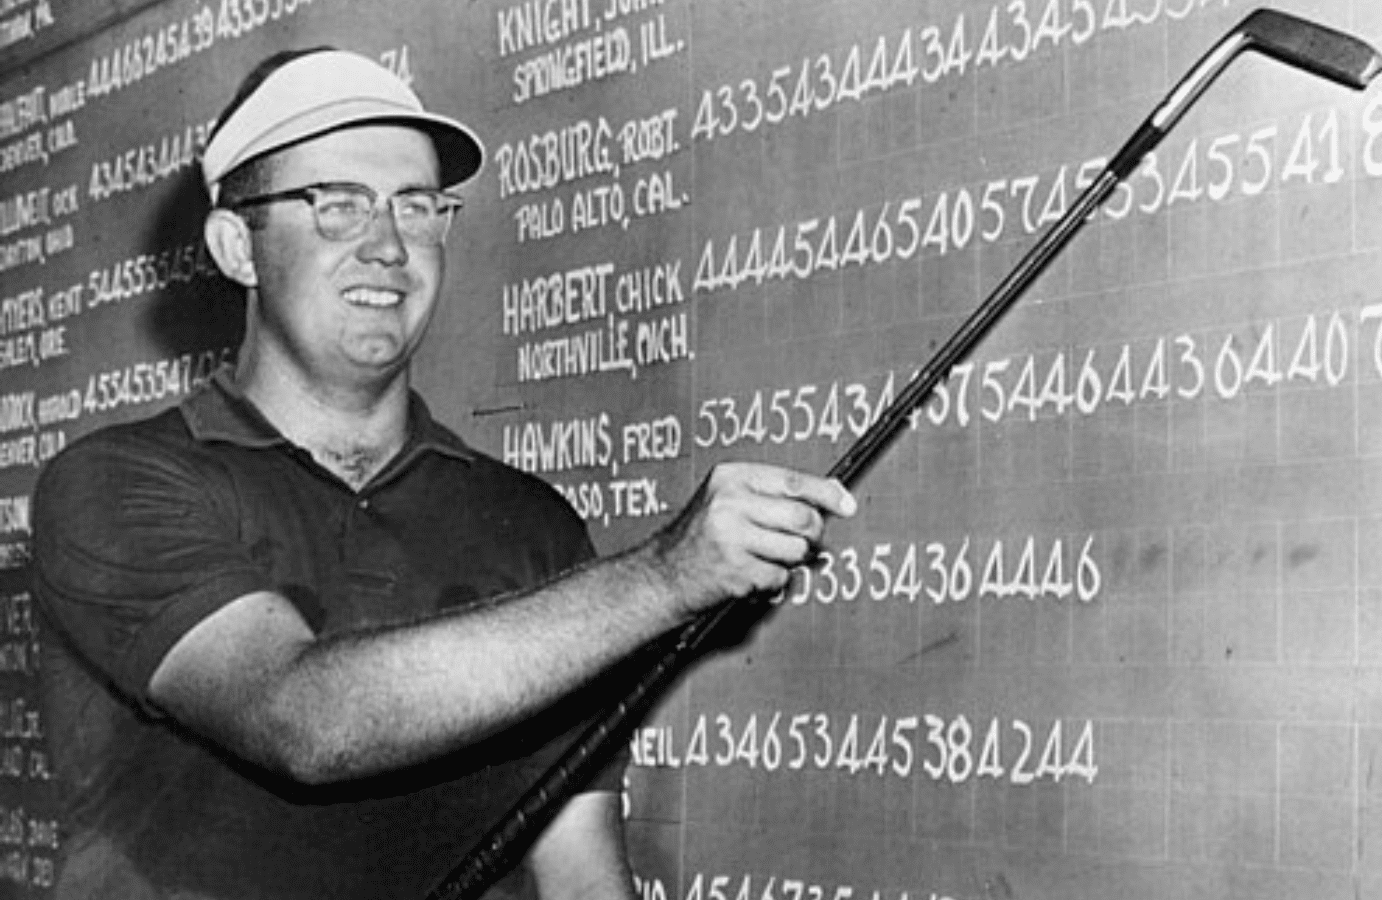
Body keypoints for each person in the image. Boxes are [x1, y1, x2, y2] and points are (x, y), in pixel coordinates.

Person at [30, 47, 856, 900]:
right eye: (338, 206)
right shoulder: (112, 484)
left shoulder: (529, 523)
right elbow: (301, 719)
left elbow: (578, 872)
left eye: (418, 207)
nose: (389, 245)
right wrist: (667, 576)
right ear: (238, 246)